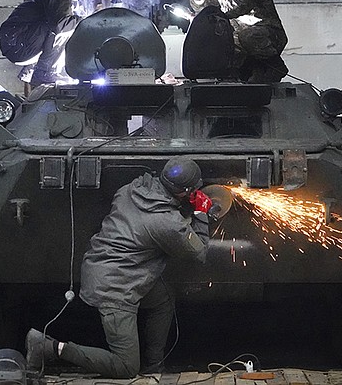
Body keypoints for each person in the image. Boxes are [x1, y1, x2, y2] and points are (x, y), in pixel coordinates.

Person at [25, 157, 214, 378]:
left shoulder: (131, 189)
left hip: (103, 265)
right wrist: (200, 213)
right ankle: (50, 347)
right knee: (125, 367)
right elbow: (200, 253)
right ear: (186, 191)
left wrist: (183, 202)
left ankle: (154, 367)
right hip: (115, 287)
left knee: (164, 298)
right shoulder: (167, 223)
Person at [189, 0, 289, 83]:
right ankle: (245, 78)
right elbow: (207, 9)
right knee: (225, 49)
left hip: (267, 34)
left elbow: (238, 8)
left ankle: (276, 67)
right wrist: (198, 0)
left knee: (247, 36)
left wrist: (213, 16)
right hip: (241, 36)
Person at [0, 0, 112, 87]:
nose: (94, 10)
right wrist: (87, 20)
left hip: (20, 42)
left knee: (70, 28)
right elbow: (59, 24)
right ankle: (44, 73)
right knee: (63, 28)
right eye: (96, 6)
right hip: (15, 40)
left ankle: (40, 71)